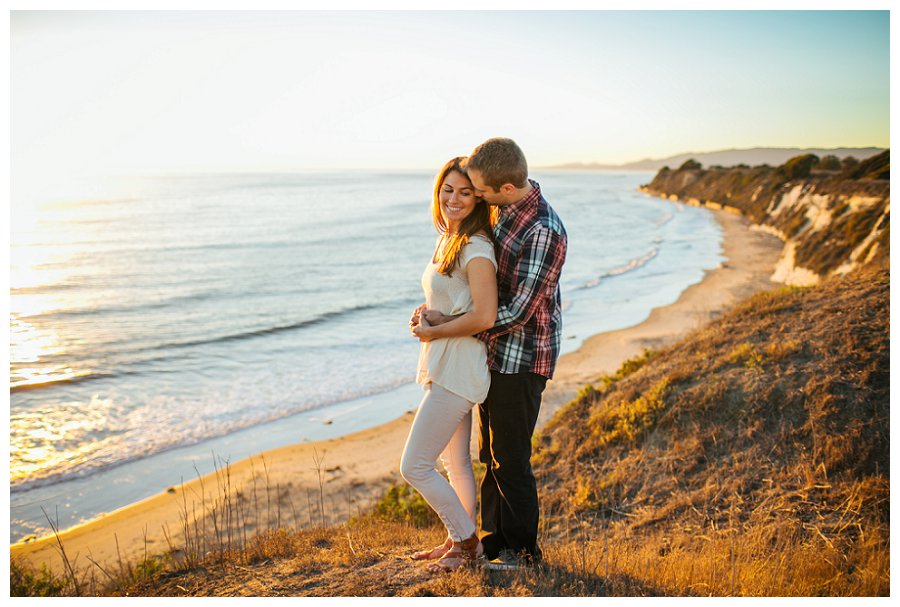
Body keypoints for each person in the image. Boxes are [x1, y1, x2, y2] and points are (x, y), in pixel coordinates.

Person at [423, 138, 567, 567]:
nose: (475, 196)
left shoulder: (543, 229)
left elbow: (515, 311)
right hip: (493, 354)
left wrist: (449, 328)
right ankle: (493, 541)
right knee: (491, 457)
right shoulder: (506, 209)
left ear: (505, 188)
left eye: (480, 191)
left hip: (522, 358)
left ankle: (523, 554)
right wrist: (444, 311)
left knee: (512, 460)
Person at [401, 156, 498, 573]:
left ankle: (467, 541)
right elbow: (458, 303)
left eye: (464, 192)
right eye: (447, 190)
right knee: (454, 463)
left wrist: (435, 331)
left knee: (414, 465)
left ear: (478, 199)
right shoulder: (450, 239)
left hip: (460, 369)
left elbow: (485, 316)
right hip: (444, 362)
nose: (454, 199)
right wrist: (430, 313)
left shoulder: (476, 248)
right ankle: (456, 542)